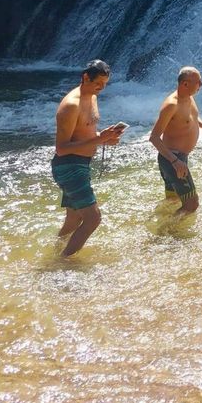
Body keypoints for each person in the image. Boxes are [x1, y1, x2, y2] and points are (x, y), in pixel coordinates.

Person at [51, 59, 124, 257]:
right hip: (69, 166)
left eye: (105, 83)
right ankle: (63, 262)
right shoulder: (70, 105)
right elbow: (61, 149)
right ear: (85, 77)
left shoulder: (92, 96)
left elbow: (84, 132)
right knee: (93, 218)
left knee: (73, 220)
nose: (101, 87)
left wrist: (105, 138)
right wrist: (100, 139)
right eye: (98, 83)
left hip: (81, 164)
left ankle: (55, 253)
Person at [149, 66, 202, 214]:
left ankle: (163, 223)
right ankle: (168, 228)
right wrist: (175, 161)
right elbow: (154, 137)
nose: (201, 84)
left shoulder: (189, 97)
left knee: (173, 200)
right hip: (172, 159)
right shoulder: (171, 105)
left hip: (179, 159)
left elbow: (192, 116)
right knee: (192, 204)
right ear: (185, 84)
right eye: (198, 82)